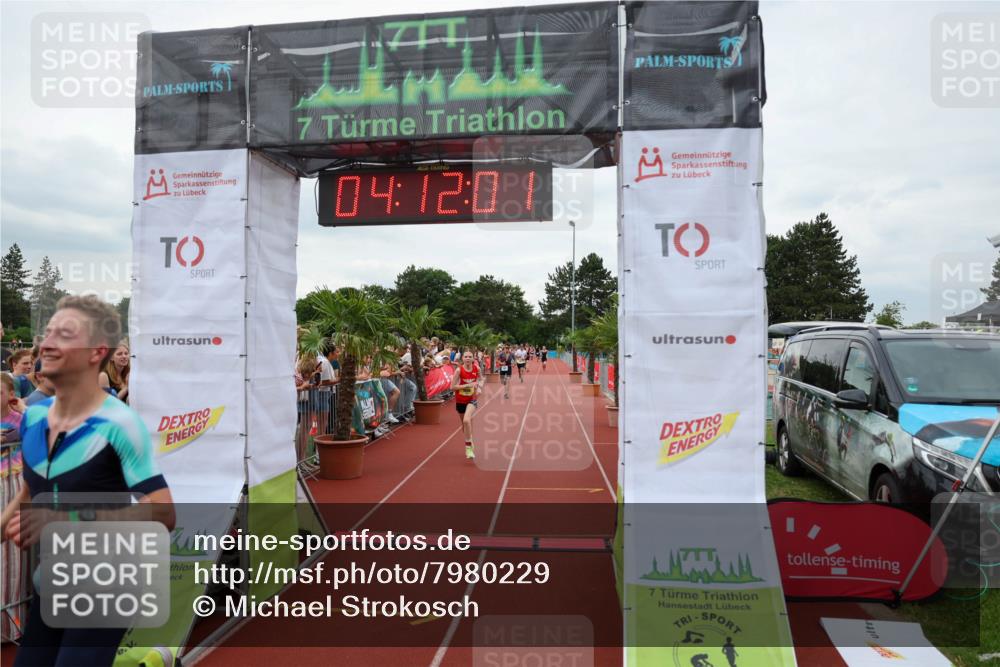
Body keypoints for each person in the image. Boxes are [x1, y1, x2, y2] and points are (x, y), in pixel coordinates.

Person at [0, 294, 175, 667]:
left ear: (97, 351)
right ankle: (148, 661)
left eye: (64, 335)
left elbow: (163, 512)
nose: (46, 344)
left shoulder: (120, 424)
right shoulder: (33, 417)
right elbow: (30, 492)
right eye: (47, 333)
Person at [451, 350, 483, 460]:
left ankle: (468, 448)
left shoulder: (476, 368)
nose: (468, 358)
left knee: (466, 420)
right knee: (464, 426)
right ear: (463, 358)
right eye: (466, 357)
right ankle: (470, 439)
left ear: (473, 358)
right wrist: (467, 385)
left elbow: (481, 379)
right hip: (460, 400)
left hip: (472, 399)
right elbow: (452, 387)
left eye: (470, 356)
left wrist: (479, 387)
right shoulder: (459, 370)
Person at [98, 338, 130, 403]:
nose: (124, 356)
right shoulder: (103, 376)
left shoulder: (129, 374)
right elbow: (108, 404)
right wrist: (126, 388)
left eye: (126, 353)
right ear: (111, 357)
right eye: (119, 354)